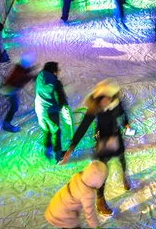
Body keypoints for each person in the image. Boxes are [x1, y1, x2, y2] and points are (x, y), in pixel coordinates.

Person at [60, 81, 132, 215]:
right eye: (102, 98)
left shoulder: (116, 104)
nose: (105, 100)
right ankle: (100, 200)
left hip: (116, 137)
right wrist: (71, 148)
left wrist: (126, 124)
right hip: (103, 140)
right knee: (102, 171)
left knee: (122, 158)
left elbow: (123, 114)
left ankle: (124, 176)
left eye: (107, 97)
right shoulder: (95, 108)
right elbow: (83, 127)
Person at [45, 161, 110, 227]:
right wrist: (96, 227)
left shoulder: (78, 177)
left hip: (54, 208)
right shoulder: (87, 194)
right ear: (98, 181)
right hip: (64, 216)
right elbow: (90, 214)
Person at [35, 61, 69, 163]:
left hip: (39, 109)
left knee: (46, 129)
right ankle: (58, 155)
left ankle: (47, 149)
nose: (59, 72)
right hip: (51, 111)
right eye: (57, 70)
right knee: (55, 131)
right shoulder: (55, 83)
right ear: (54, 71)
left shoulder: (40, 77)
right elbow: (61, 99)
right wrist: (64, 106)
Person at [0, 54, 36, 132]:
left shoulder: (20, 68)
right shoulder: (21, 74)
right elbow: (27, 77)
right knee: (14, 106)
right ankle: (6, 124)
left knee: (14, 106)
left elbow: (27, 74)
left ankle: (7, 123)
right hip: (10, 91)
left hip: (9, 89)